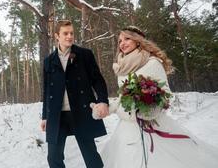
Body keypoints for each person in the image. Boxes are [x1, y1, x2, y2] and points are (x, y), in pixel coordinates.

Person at [92, 26, 218, 168]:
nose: (122, 43)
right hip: (127, 129)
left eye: (127, 38)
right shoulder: (121, 67)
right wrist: (106, 108)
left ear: (138, 40)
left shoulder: (152, 62)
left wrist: (151, 109)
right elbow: (123, 98)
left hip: (152, 126)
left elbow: (167, 94)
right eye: (120, 40)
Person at [40, 20, 109, 168]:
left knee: (91, 156)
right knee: (53, 158)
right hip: (57, 116)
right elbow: (47, 91)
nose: (69, 36)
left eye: (71, 33)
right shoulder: (49, 61)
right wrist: (45, 116)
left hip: (81, 112)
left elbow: (98, 80)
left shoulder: (85, 55)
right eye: (65, 33)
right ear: (57, 36)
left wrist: (102, 100)